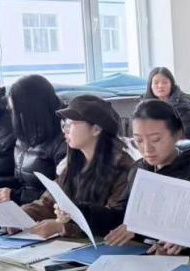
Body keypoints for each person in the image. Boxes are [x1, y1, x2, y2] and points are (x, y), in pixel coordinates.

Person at [104, 99, 190, 252]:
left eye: (156, 139)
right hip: (145, 254)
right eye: (139, 140)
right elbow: (124, 217)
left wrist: (185, 243)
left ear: (177, 135)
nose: (147, 148)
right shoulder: (139, 169)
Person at [21, 95, 136, 239]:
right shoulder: (74, 164)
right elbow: (49, 202)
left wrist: (63, 228)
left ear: (96, 129)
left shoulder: (124, 169)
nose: (65, 130)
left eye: (71, 124)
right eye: (64, 124)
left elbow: (112, 220)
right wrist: (21, 216)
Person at [0, 74, 67, 206]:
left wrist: (16, 196)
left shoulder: (64, 140)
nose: (13, 117)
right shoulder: (24, 136)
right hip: (24, 207)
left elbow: (61, 194)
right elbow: (20, 181)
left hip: (46, 212)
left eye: (16, 112)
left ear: (31, 111)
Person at [142, 67, 190, 139]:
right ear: (150, 86)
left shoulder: (183, 105)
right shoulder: (145, 105)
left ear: (171, 84)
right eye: (156, 83)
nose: (160, 86)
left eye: (165, 82)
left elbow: (187, 134)